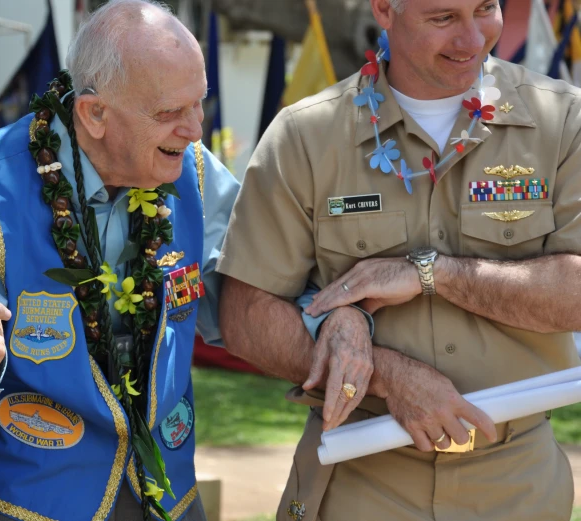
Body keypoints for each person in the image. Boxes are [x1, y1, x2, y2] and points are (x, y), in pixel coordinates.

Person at [218, 1, 581, 520]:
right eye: (443, 18)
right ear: (385, 8)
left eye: (486, 9)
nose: (472, 39)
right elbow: (245, 315)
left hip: (518, 484)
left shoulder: (564, 121)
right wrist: (386, 376)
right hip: (362, 476)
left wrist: (430, 274)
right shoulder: (306, 137)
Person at [0, 1, 240, 520]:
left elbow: (250, 297)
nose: (194, 130)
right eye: (169, 113)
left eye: (199, 104)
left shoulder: (196, 173)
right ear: (94, 113)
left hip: (165, 501)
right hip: (14, 508)